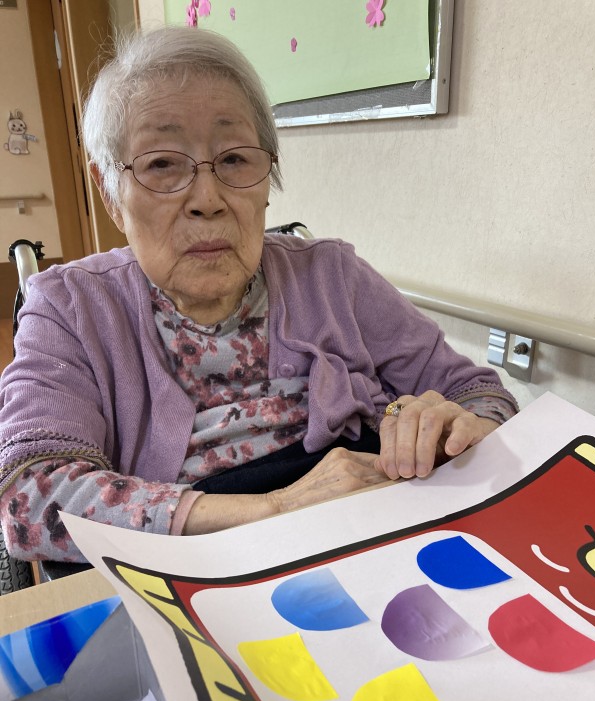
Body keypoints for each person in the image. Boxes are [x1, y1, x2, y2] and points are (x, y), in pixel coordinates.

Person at [0, 26, 518, 563]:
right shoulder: (68, 305)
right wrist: (278, 510)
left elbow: (479, 393)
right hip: (199, 569)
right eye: (161, 164)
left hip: (377, 543)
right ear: (110, 193)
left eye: (234, 159)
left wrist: (456, 428)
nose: (207, 199)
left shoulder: (332, 275)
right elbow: (29, 498)